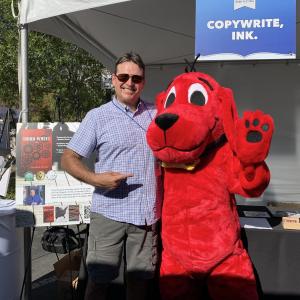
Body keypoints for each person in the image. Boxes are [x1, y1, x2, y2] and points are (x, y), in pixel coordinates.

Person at [61, 52, 162, 300]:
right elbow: (68, 159)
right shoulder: (98, 116)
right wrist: (97, 179)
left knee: (139, 285)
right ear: (114, 79)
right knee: (98, 282)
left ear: (144, 82)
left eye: (136, 78)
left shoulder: (157, 115)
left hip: (146, 217)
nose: (130, 82)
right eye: (124, 76)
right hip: (109, 213)